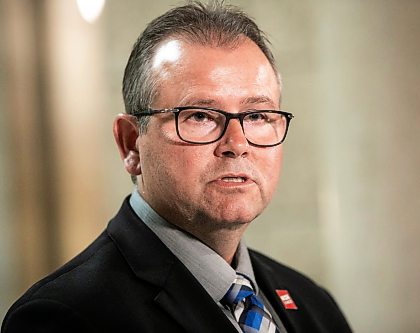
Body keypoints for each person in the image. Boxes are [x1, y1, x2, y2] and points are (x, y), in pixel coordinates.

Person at [2, 2, 352, 332]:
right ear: (131, 143)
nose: (237, 145)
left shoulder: (312, 303)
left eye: (257, 115)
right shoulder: (64, 317)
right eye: (200, 116)